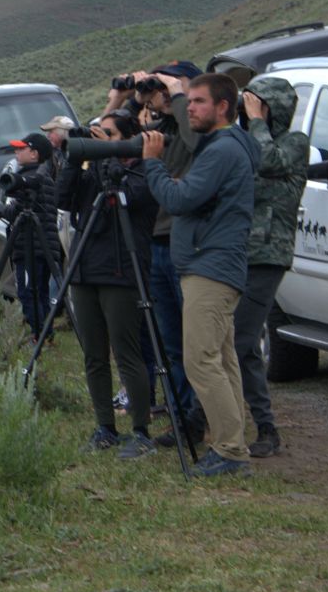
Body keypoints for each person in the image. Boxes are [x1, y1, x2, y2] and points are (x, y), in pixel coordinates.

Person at [142, 73, 260, 478]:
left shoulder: (221, 150)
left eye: (197, 102)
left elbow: (179, 198)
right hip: (216, 263)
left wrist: (154, 167)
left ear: (223, 107)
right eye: (187, 101)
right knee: (222, 361)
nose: (188, 108)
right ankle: (232, 443)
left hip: (209, 266)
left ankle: (230, 451)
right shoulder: (233, 144)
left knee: (201, 361)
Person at [108, 61, 206, 445]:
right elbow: (107, 140)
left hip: (187, 243)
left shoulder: (194, 127)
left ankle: (206, 414)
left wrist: (177, 91)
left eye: (167, 86)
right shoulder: (160, 129)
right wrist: (125, 99)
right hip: (157, 243)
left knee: (197, 341)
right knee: (171, 342)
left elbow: (197, 141)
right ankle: (185, 420)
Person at [57, 111, 159, 456]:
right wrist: (76, 157)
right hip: (85, 271)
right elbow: (62, 198)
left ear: (129, 138)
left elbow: (131, 201)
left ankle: (141, 431)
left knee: (126, 352)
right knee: (94, 355)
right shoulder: (93, 172)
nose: (101, 140)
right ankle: (105, 427)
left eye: (109, 134)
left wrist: (109, 158)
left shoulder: (143, 171)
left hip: (121, 272)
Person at [5, 132, 64, 342]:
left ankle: (41, 335)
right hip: (42, 245)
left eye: (21, 149)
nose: (16, 152)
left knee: (28, 292)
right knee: (40, 293)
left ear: (34, 154)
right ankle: (44, 334)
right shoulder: (42, 175)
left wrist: (3, 210)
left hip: (32, 245)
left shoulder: (32, 179)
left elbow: (18, 211)